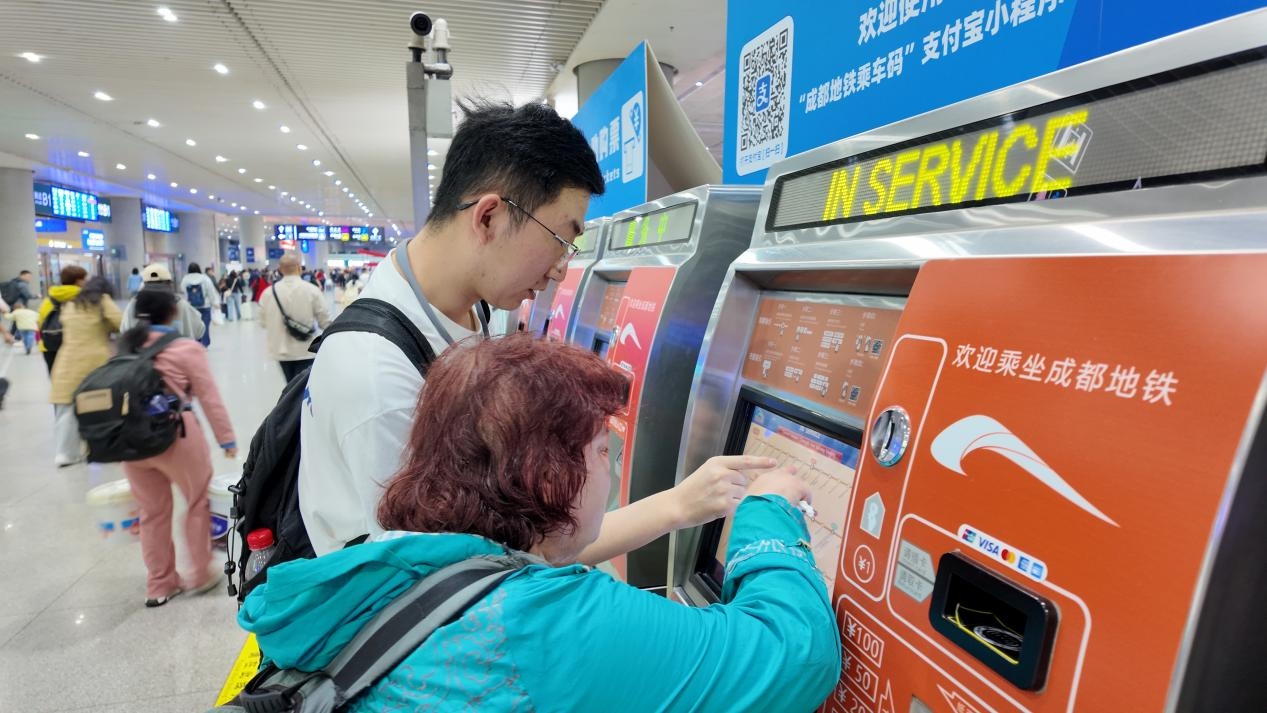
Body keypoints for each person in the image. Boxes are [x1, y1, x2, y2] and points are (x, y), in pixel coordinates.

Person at [242, 336, 839, 710]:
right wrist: (769, 510)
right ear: (550, 476)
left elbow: (516, 569)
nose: (611, 466)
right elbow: (796, 656)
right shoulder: (552, 623)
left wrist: (677, 507)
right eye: (601, 451)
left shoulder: (395, 562)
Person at [298, 100, 758, 561]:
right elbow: (464, 571)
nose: (561, 270)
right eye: (561, 240)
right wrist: (675, 507)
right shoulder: (379, 377)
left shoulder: (465, 310)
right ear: (489, 217)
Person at [118, 289, 236, 607]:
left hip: (132, 442)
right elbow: (209, 397)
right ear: (173, 312)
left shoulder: (125, 346)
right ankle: (200, 573)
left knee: (152, 514)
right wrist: (226, 439)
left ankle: (160, 584)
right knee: (196, 503)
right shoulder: (185, 347)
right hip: (176, 435)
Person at [49, 276, 122, 466]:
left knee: (66, 407)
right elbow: (120, 322)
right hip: (94, 360)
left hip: (66, 360)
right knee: (100, 405)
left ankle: (65, 453)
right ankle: (100, 448)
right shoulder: (103, 300)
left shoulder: (69, 304)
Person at [258, 254, 332, 381]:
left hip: (280, 349)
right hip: (306, 348)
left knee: (290, 383)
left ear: (280, 269)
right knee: (302, 386)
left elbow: (263, 322)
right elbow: (324, 321)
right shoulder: (312, 290)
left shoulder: (268, 293)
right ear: (299, 268)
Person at [121, 263, 206, 342]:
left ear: (143, 283)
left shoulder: (134, 303)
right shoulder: (180, 303)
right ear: (169, 283)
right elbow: (199, 329)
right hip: (179, 351)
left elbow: (124, 330)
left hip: (141, 352)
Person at [35, 266, 87, 372]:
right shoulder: (86, 299)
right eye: (84, 279)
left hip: (50, 346)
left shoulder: (48, 300)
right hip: (78, 346)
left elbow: (40, 323)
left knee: (57, 378)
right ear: (78, 281)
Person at [180, 262, 219, 347]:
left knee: (194, 326)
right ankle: (204, 344)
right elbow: (211, 292)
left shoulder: (185, 279)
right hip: (205, 306)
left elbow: (183, 291)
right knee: (205, 326)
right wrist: (215, 303)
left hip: (191, 307)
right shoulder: (205, 278)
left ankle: (196, 343)